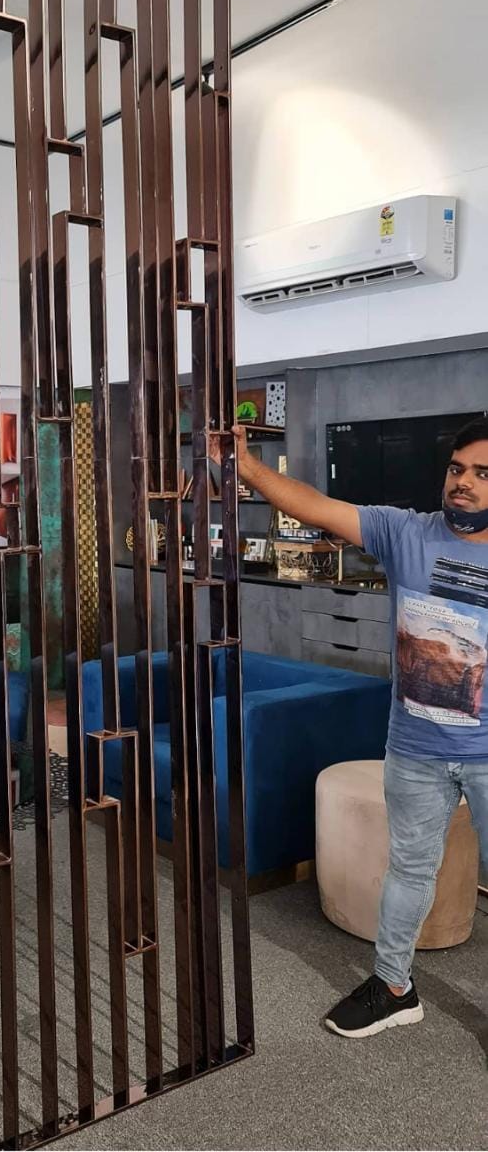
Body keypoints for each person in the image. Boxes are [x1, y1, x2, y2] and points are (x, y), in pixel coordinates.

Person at [215, 416, 488, 1038]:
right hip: (414, 747)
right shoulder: (405, 533)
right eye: (456, 469)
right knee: (409, 871)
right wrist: (248, 465)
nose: (463, 484)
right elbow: (316, 505)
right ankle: (395, 987)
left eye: (481, 474)